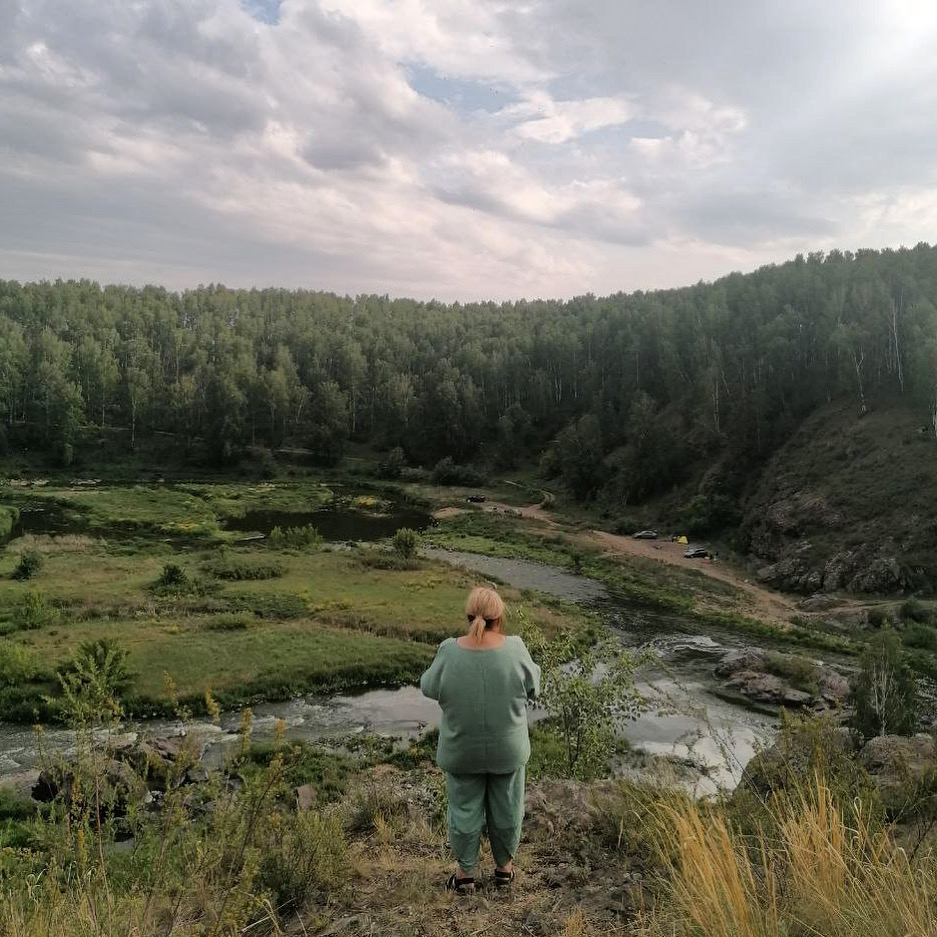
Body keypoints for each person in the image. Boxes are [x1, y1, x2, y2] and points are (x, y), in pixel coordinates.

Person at [420, 585, 541, 895]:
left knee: (463, 810)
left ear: (468, 617)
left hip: (462, 750)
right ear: (499, 618)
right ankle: (504, 871)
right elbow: (534, 687)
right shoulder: (515, 648)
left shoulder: (449, 650)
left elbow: (428, 687)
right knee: (508, 808)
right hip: (507, 750)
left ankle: (464, 876)